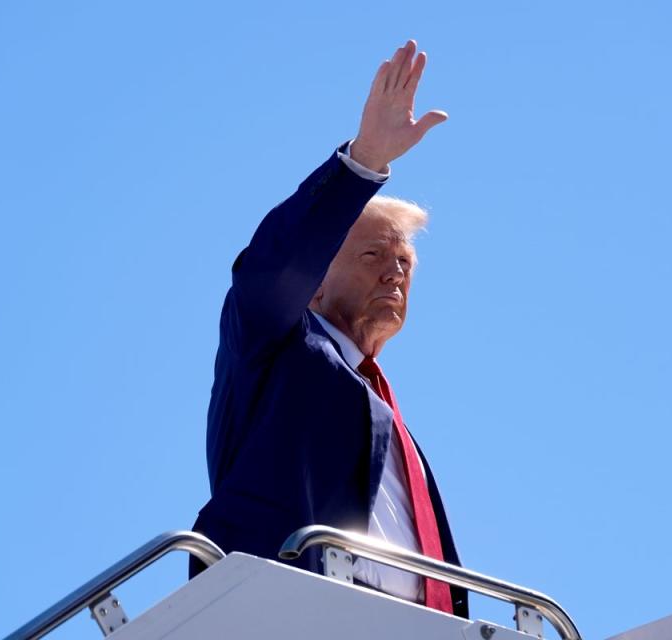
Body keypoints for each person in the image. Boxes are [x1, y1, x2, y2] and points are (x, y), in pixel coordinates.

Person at [190, 40, 468, 618]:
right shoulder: (277, 344)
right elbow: (274, 269)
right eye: (373, 255)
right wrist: (365, 160)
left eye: (406, 263)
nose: (396, 269)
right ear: (314, 282)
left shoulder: (383, 407)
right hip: (297, 612)